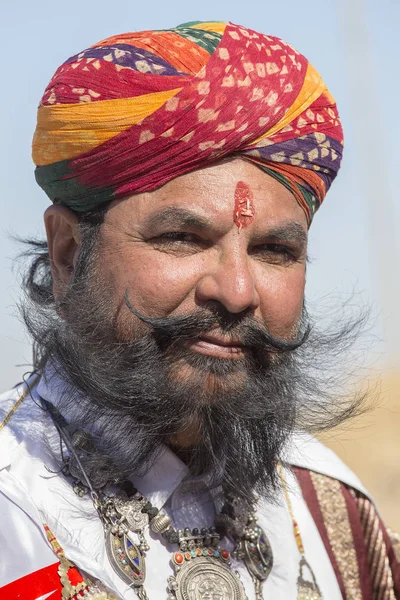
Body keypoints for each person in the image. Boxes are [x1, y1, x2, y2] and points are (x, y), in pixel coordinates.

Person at [0, 20, 398, 600]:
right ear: (67, 254)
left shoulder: (325, 505)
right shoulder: (15, 507)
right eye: (182, 239)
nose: (238, 292)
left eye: (274, 251)